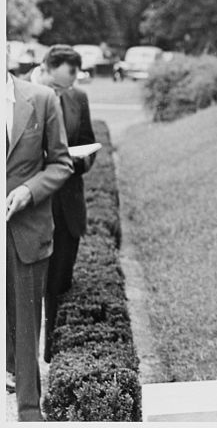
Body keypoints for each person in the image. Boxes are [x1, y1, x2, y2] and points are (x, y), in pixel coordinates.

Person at [6, 66, 73, 421]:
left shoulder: (43, 98)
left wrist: (28, 191)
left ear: (7, 51)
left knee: (26, 325)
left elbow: (61, 164)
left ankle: (29, 412)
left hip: (25, 230)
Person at [31, 45, 97, 363]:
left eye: (69, 82)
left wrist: (76, 162)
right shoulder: (21, 97)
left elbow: (88, 140)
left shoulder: (78, 98)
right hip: (34, 206)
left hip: (68, 206)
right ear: (46, 68)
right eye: (59, 84)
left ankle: (52, 357)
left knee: (59, 285)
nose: (64, 89)